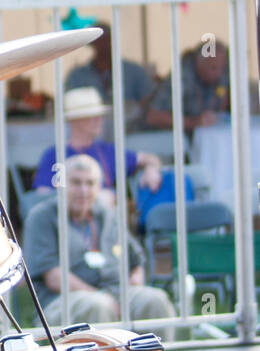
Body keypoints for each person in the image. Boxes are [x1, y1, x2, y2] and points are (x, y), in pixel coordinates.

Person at [23, 154, 173, 327]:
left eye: (90, 183)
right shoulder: (42, 217)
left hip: (115, 291)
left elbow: (136, 259)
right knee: (98, 306)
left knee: (154, 300)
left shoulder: (107, 214)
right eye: (76, 182)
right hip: (62, 300)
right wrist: (101, 296)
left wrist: (134, 283)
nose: (84, 190)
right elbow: (54, 278)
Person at [30, 87, 163, 204]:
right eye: (91, 116)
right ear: (74, 120)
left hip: (104, 227)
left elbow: (149, 158)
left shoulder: (107, 151)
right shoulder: (54, 155)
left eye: (99, 116)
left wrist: (151, 169)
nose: (99, 120)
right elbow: (42, 197)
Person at [63, 21, 156, 127]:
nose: (103, 44)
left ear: (112, 40)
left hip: (130, 131)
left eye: (106, 39)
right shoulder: (78, 75)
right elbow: (67, 103)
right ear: (92, 43)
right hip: (90, 131)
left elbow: (149, 99)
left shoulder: (134, 71)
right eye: (99, 40)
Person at [144, 40, 230, 132]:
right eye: (213, 68)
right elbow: (152, 117)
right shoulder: (181, 77)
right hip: (169, 138)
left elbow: (222, 100)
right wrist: (193, 122)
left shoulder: (222, 74)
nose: (219, 74)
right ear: (198, 62)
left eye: (222, 68)